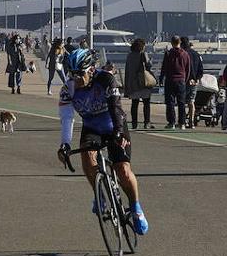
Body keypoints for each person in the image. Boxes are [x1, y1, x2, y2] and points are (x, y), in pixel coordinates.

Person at [56, 47, 148, 235]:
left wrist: (119, 133)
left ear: (91, 70)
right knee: (87, 160)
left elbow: (116, 108)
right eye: (71, 74)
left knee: (123, 170)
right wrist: (65, 144)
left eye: (79, 74)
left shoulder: (106, 79)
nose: (75, 78)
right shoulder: (68, 89)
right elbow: (67, 118)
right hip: (92, 127)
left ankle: (136, 207)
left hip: (114, 125)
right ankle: (100, 196)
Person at [123, 38, 155, 130]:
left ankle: (134, 123)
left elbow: (127, 70)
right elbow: (148, 66)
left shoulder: (129, 56)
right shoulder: (143, 54)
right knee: (146, 103)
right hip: (143, 82)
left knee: (134, 103)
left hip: (133, 83)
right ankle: (146, 122)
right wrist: (150, 61)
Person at [160, 36, 191, 129]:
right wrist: (185, 79)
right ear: (180, 42)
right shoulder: (185, 54)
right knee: (181, 103)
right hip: (181, 80)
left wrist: (161, 78)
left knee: (170, 102)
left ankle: (171, 122)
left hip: (170, 80)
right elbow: (188, 69)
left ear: (172, 43)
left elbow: (164, 67)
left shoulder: (168, 54)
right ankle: (182, 123)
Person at [181, 36, 203, 130]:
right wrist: (197, 78)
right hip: (194, 81)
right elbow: (200, 69)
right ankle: (191, 122)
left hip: (184, 80)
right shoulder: (196, 54)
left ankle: (182, 121)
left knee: (181, 101)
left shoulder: (183, 54)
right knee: (191, 102)